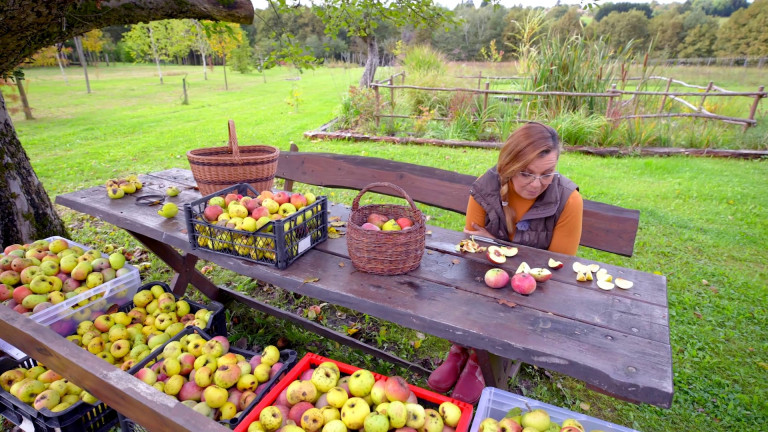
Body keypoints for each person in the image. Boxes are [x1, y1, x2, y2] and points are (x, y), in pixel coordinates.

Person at [427, 122, 583, 404]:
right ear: (509, 165)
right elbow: (473, 247)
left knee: (504, 296)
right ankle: (459, 349)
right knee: (470, 285)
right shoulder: (485, 187)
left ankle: (478, 358)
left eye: (547, 174)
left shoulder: (568, 200)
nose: (536, 184)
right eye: (526, 173)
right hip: (484, 277)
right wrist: (507, 250)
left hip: (533, 292)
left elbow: (556, 267)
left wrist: (498, 244)